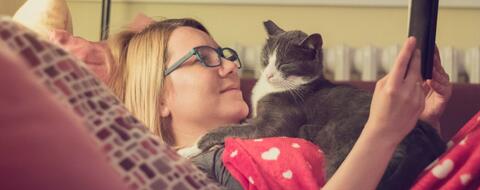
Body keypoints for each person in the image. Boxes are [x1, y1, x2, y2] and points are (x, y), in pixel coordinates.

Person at [107, 18, 452, 189]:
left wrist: (418, 126)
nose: (231, 65)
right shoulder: (191, 176)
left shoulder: (270, 132)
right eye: (204, 57)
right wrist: (381, 135)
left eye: (226, 55)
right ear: (159, 95)